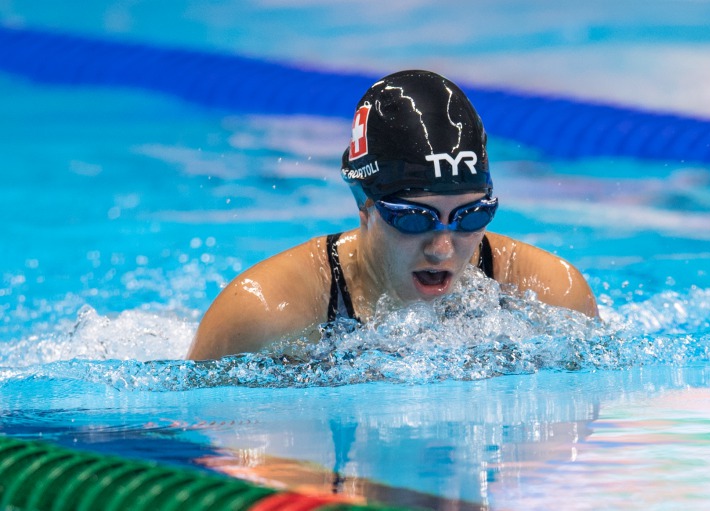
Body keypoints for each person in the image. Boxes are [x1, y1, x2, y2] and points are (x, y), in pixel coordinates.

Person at [187, 70, 598, 361]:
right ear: (365, 206)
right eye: (415, 218)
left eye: (471, 217)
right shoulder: (262, 315)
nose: (442, 248)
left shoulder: (553, 295)